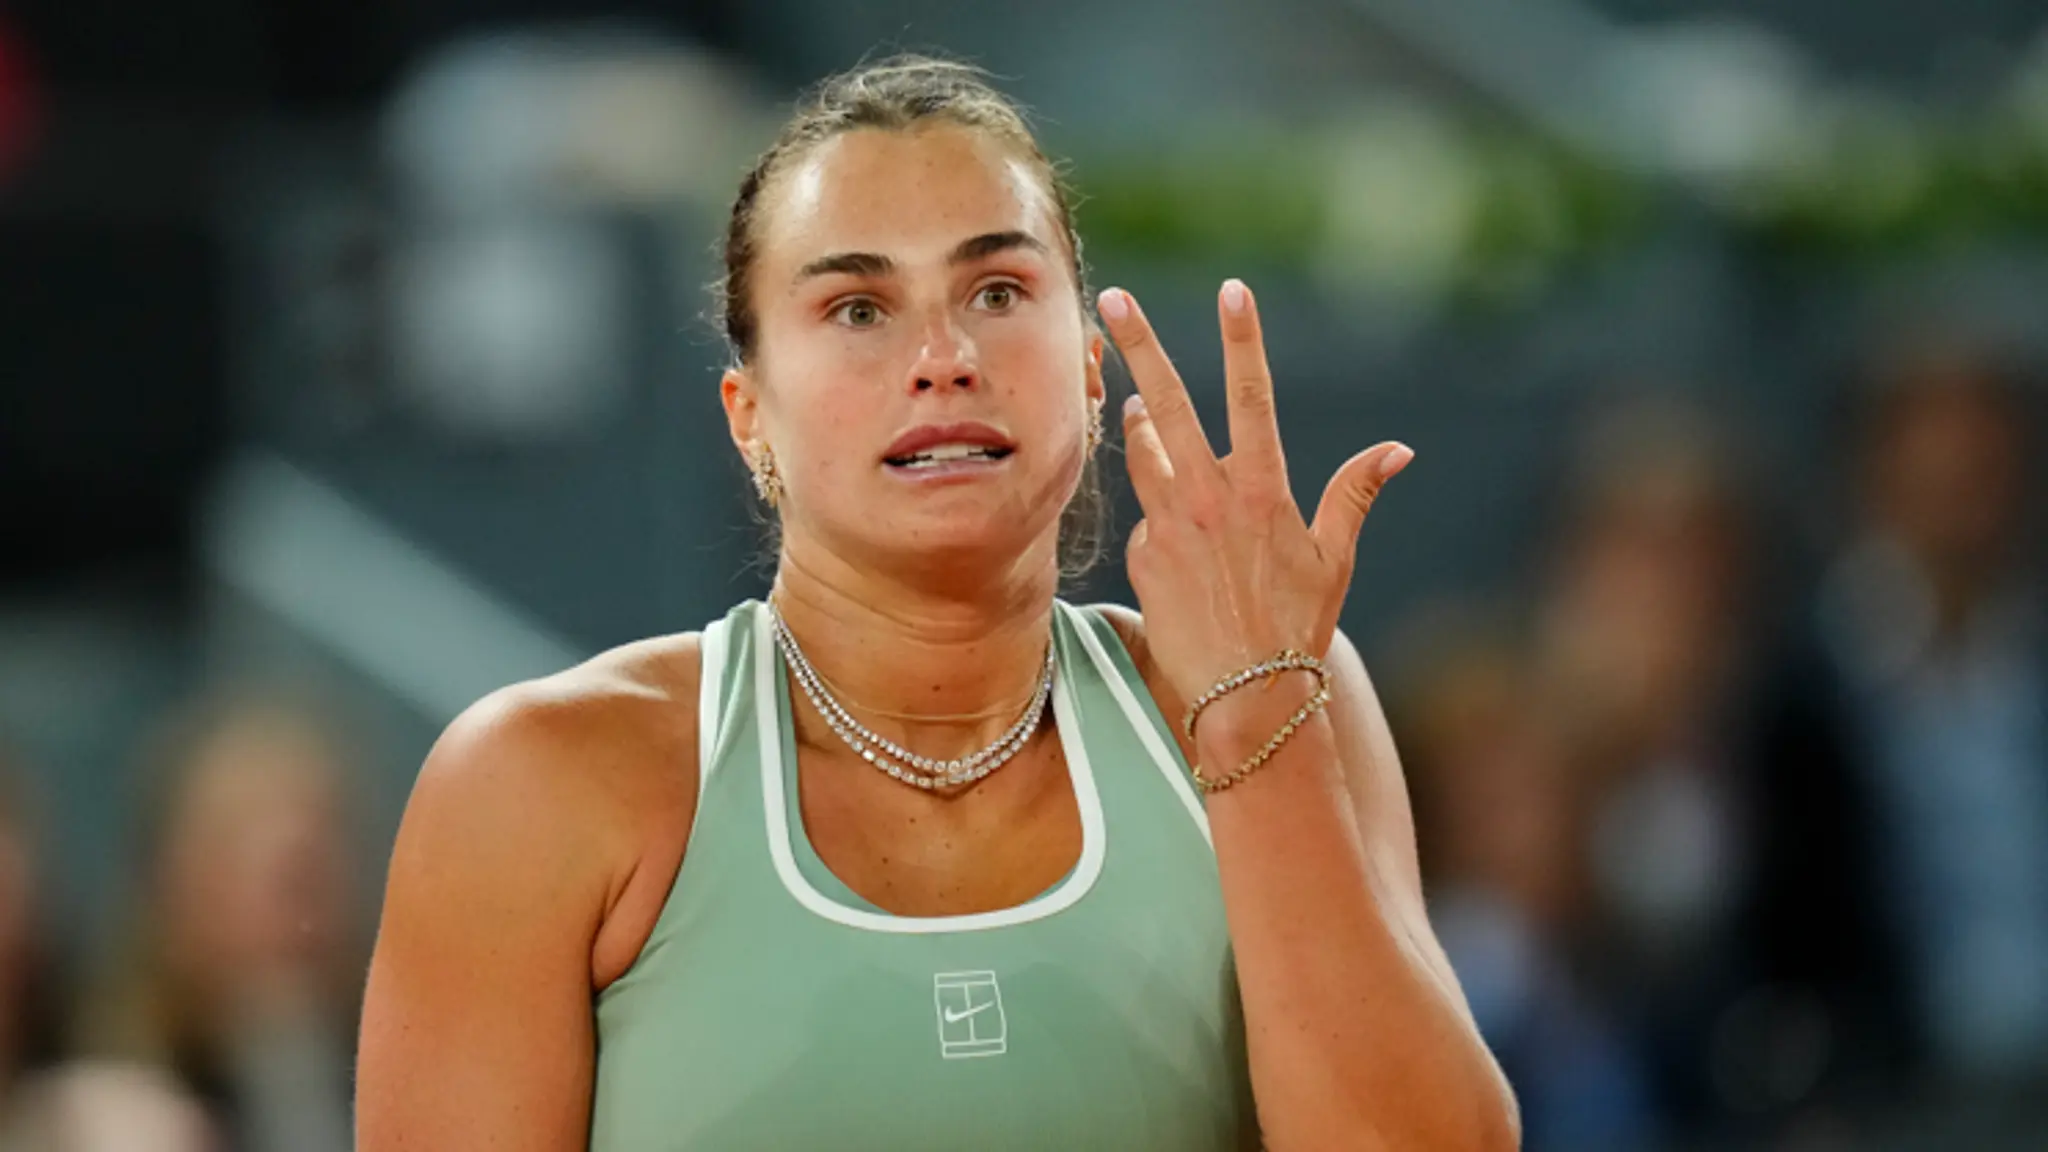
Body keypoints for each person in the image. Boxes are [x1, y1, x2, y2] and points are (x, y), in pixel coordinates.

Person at [357, 56, 1517, 1151]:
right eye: (858, 309)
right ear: (747, 417)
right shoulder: (536, 782)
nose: (943, 355)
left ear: (1088, 371)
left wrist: (1256, 720)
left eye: (997, 290)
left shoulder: (1277, 694)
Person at [64, 695, 362, 1152]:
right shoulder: (104, 1090)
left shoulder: (392, 1065)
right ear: (171, 880)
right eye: (240, 835)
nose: (291, 862)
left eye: (323, 840)